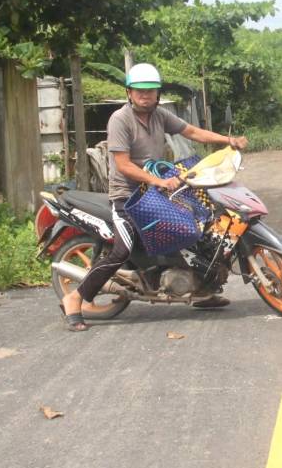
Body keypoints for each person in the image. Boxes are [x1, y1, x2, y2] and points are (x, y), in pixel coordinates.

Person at [60, 63, 247, 331]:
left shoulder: (160, 115)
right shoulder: (120, 120)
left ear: (157, 94)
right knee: (121, 250)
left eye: (150, 91)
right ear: (129, 92)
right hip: (127, 199)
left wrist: (227, 141)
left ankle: (201, 290)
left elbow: (192, 132)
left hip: (155, 194)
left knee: (196, 226)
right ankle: (75, 298)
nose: (145, 96)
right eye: (139, 91)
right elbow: (123, 165)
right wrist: (159, 181)